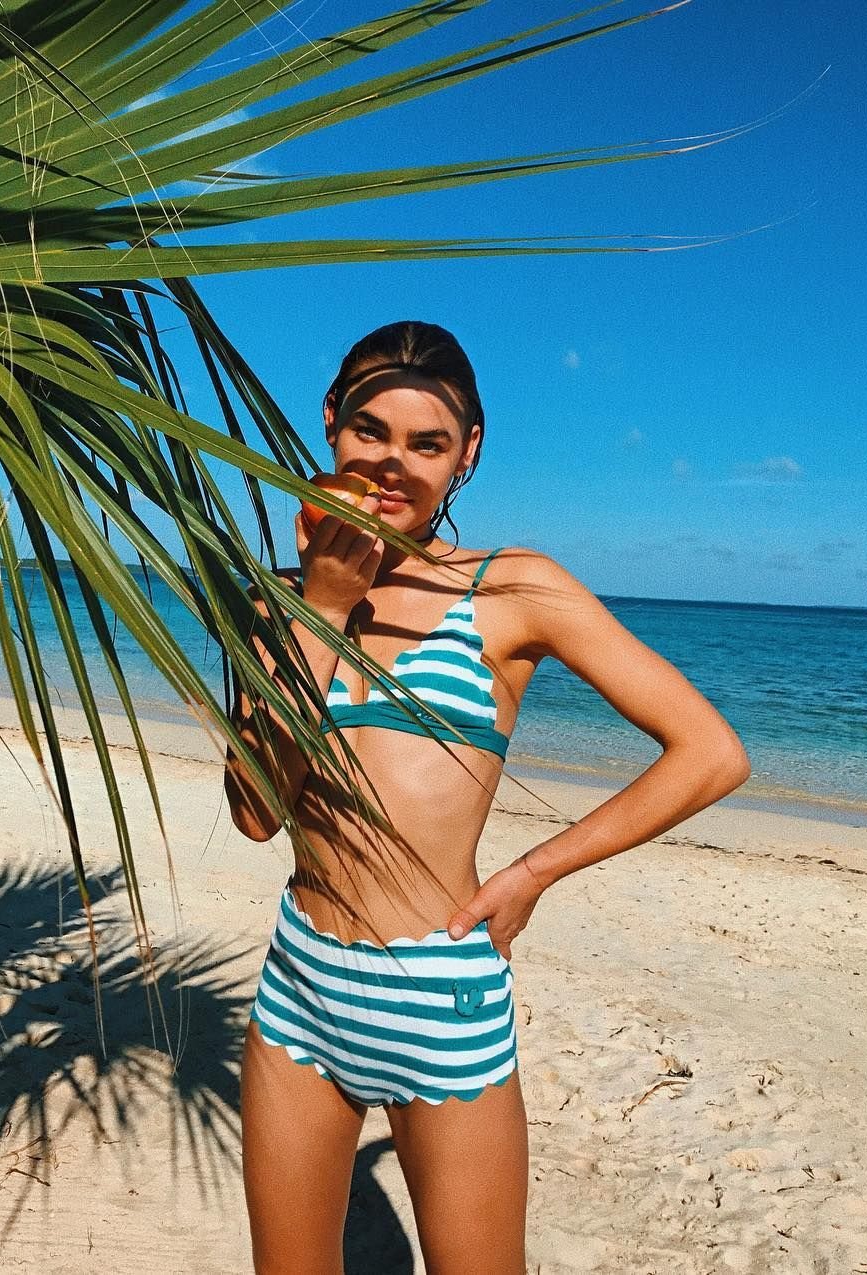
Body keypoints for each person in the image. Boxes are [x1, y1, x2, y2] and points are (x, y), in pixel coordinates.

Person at [224, 320, 750, 1274]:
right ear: (331, 422)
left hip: (442, 1000)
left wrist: (536, 870)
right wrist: (325, 605)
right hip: (299, 989)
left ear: (466, 454)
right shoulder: (273, 603)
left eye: (427, 444)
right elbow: (257, 811)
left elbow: (710, 753)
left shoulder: (512, 591)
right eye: (370, 431)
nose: (393, 464)